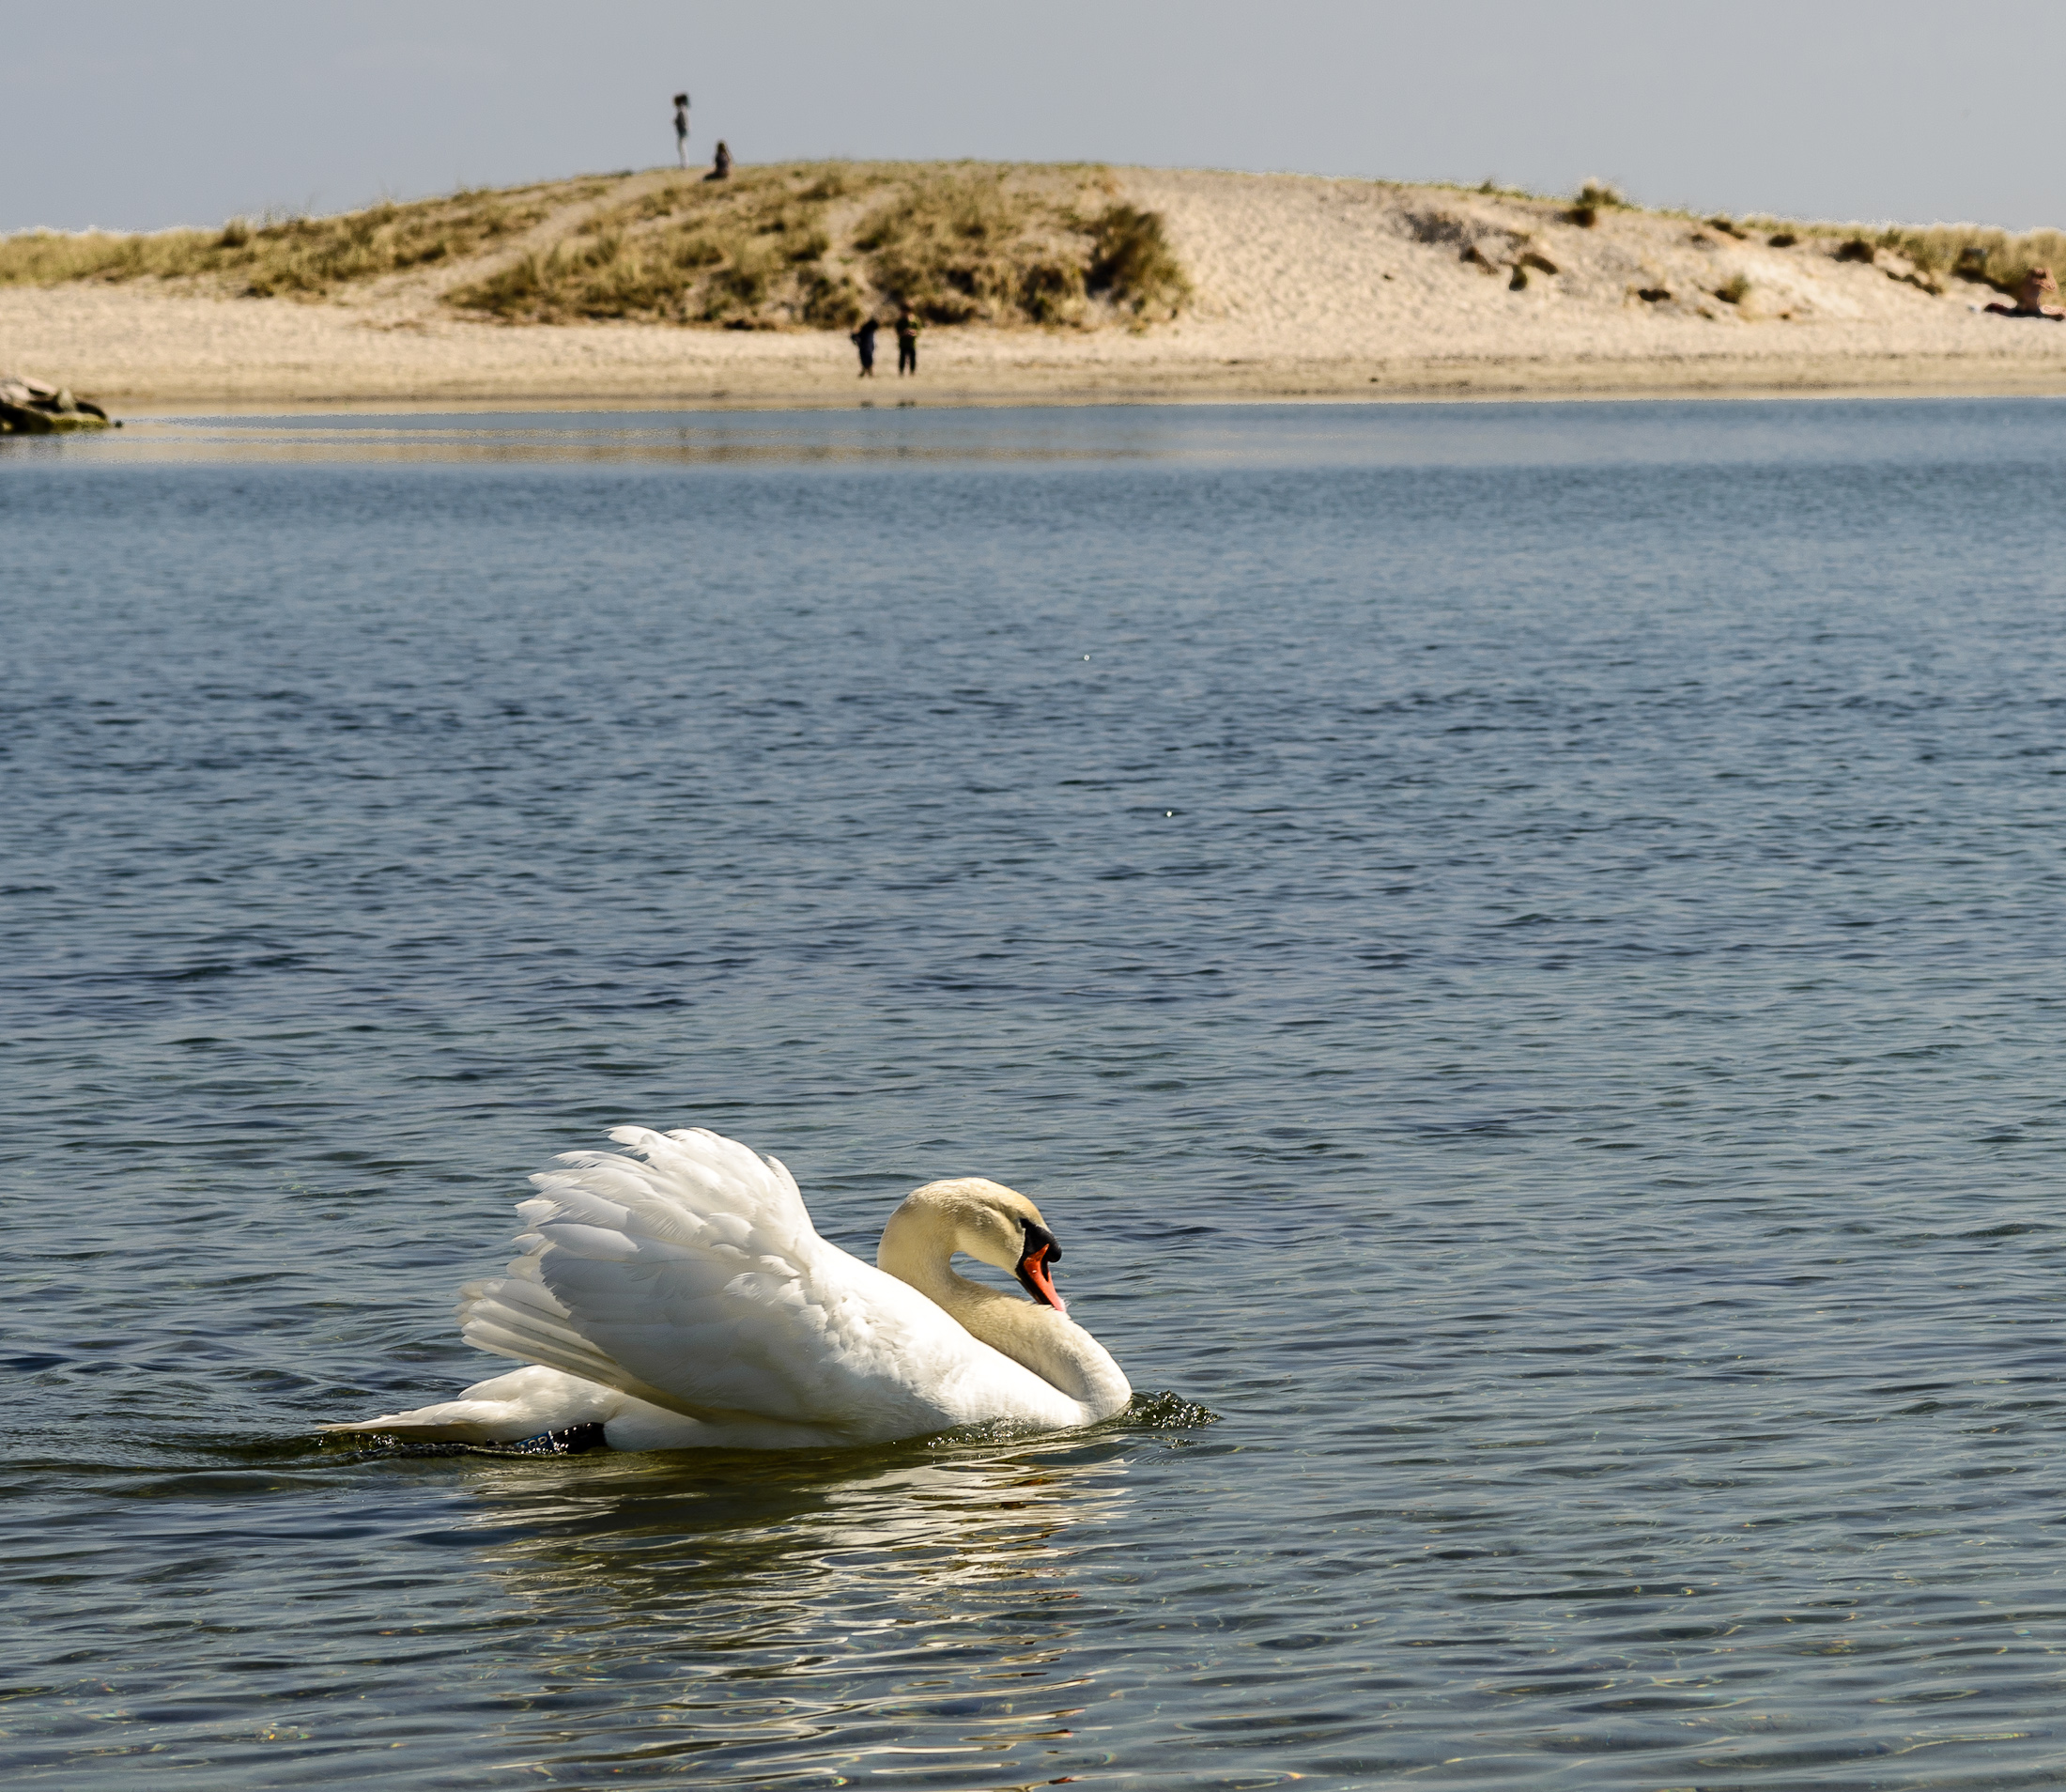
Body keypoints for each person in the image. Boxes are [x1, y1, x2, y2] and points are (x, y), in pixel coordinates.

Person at [1983, 266, 2066, 319]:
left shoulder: (2027, 283)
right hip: (2032, 312)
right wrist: (2049, 275)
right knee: (2059, 314)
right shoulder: (2037, 284)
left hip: (2023, 310)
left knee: (2057, 311)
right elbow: (2054, 289)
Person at [894, 303, 922, 376]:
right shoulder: (900, 322)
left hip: (912, 344)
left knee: (912, 359)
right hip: (903, 344)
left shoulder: (915, 321)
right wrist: (904, 333)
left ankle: (912, 372)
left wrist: (913, 333)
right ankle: (901, 371)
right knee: (902, 358)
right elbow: (898, 333)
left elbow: (918, 332)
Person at [671, 94, 689, 170]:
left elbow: (682, 121)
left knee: (681, 147)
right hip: (683, 130)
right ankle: (684, 163)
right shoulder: (682, 108)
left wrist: (676, 122)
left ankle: (685, 163)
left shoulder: (681, 109)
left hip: (683, 131)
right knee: (681, 147)